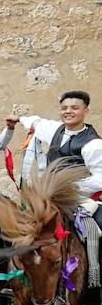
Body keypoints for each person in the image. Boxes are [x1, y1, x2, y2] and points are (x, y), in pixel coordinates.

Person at [18, 90, 102, 225]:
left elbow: (100, 179)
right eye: (64, 108)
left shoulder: (94, 144)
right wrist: (18, 119)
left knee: (96, 226)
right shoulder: (55, 129)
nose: (68, 111)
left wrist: (67, 187)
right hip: (48, 199)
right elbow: (35, 122)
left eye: (74, 108)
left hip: (79, 200)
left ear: (85, 111)